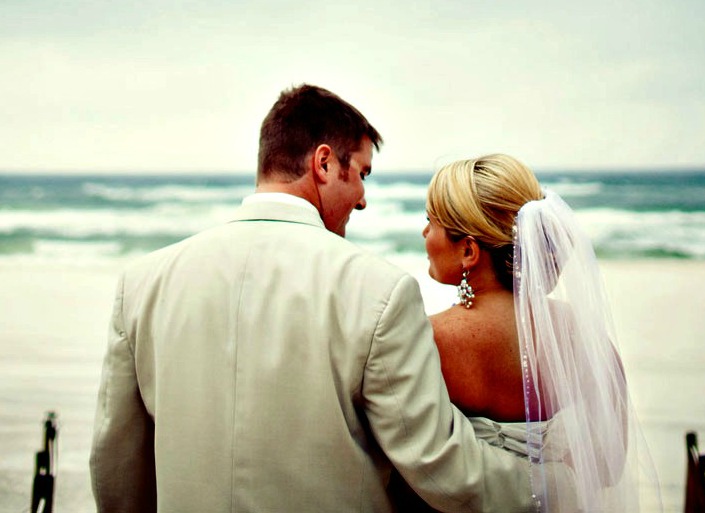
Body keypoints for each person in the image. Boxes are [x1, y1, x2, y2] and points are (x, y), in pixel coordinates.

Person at [89, 86, 534, 513]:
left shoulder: (142, 284)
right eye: (361, 174)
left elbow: (116, 467)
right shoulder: (379, 291)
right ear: (324, 163)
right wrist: (556, 486)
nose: (362, 200)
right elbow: (441, 468)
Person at [414, 154, 661, 512]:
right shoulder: (585, 340)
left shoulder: (427, 340)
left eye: (430, 222)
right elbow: (609, 466)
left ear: (469, 250)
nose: (424, 233)